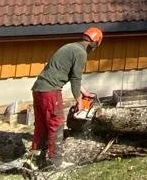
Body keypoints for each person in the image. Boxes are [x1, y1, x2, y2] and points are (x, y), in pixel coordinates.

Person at [31, 27, 103, 168]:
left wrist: (83, 92)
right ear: (95, 43)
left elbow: (70, 75)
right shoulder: (81, 53)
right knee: (56, 123)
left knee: (41, 124)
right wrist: (79, 102)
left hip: (38, 88)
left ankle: (35, 158)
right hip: (50, 90)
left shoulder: (70, 47)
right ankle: (55, 162)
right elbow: (76, 78)